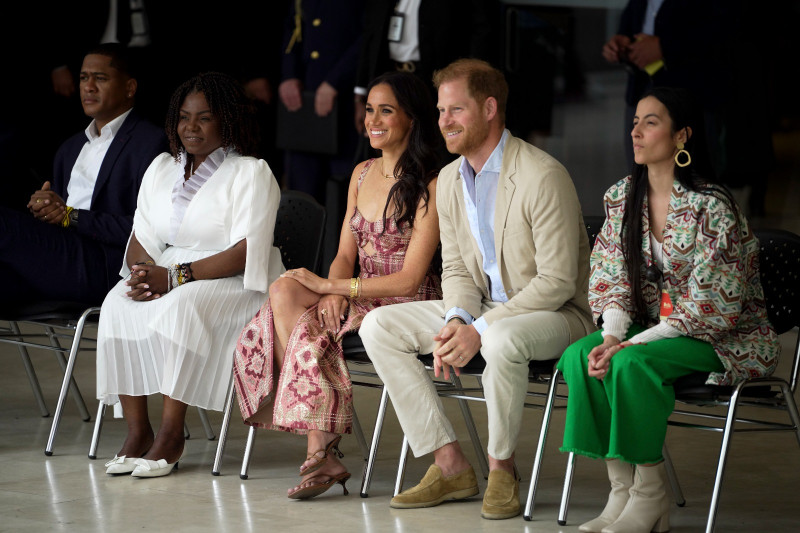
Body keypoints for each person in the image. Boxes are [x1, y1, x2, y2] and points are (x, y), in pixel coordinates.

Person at [359, 59, 594, 520]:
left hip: (556, 314)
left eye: (456, 110)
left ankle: (502, 468)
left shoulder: (542, 175)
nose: (444, 120)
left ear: (489, 108)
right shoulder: (448, 179)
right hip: (486, 309)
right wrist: (457, 320)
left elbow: (558, 282)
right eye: (442, 110)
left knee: (502, 339)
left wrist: (480, 328)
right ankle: (448, 464)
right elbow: (458, 270)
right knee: (378, 325)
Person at [557, 86, 780, 533]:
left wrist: (630, 345)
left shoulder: (712, 207)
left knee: (632, 365)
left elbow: (712, 306)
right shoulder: (621, 197)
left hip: (723, 338)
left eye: (650, 122)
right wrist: (611, 337)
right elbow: (610, 274)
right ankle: (620, 491)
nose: (635, 131)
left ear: (682, 136)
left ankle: (650, 494)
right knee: (580, 356)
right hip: (650, 332)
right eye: (635, 121)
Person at [232, 71, 443, 500]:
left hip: (399, 300)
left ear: (412, 119)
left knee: (300, 321)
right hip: (354, 288)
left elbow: (411, 278)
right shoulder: (362, 173)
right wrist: (331, 290)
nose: (373, 120)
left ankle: (319, 446)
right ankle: (322, 442)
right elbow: (345, 253)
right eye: (369, 110)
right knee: (285, 291)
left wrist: (338, 289)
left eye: (386, 110)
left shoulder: (433, 181)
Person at [96, 72, 284, 478]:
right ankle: (137, 432)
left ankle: (170, 433)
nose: (191, 128)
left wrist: (175, 277)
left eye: (204, 118)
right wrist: (145, 274)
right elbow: (140, 234)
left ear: (227, 121)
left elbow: (246, 251)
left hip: (234, 283)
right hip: (169, 272)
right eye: (184, 118)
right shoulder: (162, 167)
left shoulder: (251, 172)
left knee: (180, 307)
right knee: (116, 302)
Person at [0, 42, 167, 306]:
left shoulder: (152, 142)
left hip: (103, 265)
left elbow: (145, 229)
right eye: (83, 78)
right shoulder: (70, 148)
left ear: (129, 88)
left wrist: (71, 216)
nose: (88, 87)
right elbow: (58, 217)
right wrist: (45, 209)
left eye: (100, 78)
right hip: (60, 260)